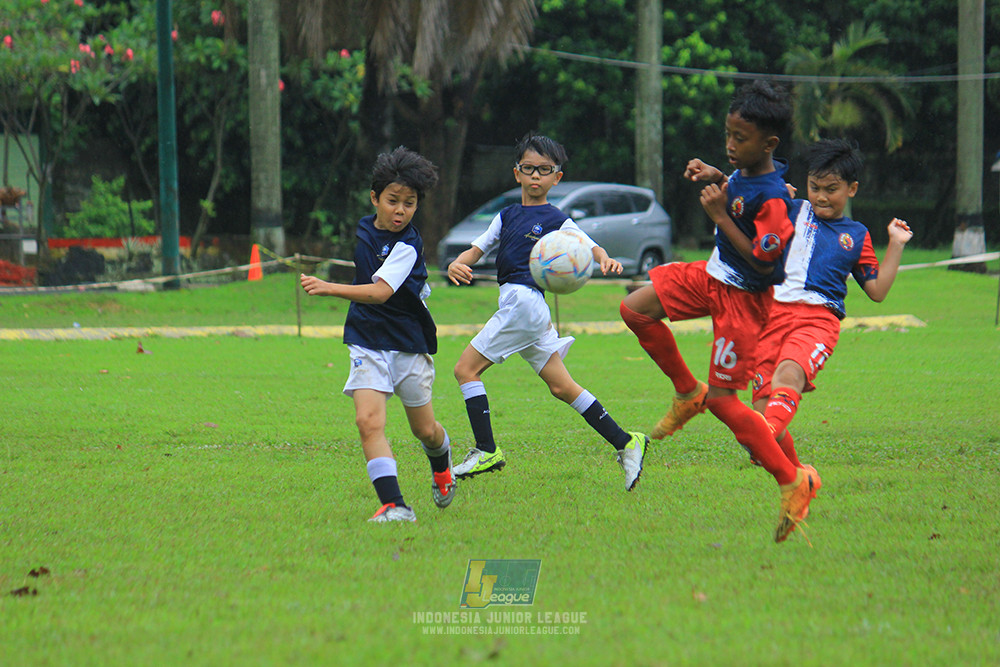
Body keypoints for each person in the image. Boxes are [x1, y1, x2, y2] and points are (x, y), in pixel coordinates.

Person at [619, 80, 817, 542]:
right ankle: (688, 392)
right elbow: (739, 194)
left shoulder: (775, 199)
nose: (730, 144)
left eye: (739, 139)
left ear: (768, 143)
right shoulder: (750, 174)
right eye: (728, 135)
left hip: (745, 303)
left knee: (731, 404)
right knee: (635, 310)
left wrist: (720, 217)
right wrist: (716, 177)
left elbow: (765, 259)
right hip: (713, 278)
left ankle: (793, 479)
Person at [446, 132, 649, 490]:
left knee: (465, 370)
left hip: (524, 304)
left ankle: (486, 449)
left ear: (557, 177)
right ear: (517, 173)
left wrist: (604, 259)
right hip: (526, 309)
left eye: (545, 169)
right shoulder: (506, 215)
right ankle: (627, 442)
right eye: (529, 168)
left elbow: (590, 246)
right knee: (561, 386)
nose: (536, 176)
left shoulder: (557, 219)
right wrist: (456, 264)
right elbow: (475, 251)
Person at [300, 146, 456, 523]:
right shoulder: (364, 228)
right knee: (368, 422)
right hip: (367, 340)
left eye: (409, 203)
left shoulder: (409, 245)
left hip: (407, 344)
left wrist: (329, 287)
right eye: (392, 201)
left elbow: (381, 292)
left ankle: (442, 463)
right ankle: (395, 505)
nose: (400, 211)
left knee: (426, 430)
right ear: (375, 198)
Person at [750, 138, 912, 473]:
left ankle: (762, 440)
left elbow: (877, 291)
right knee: (763, 409)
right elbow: (754, 214)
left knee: (789, 374)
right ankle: (798, 479)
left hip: (817, 319)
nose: (821, 196)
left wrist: (896, 244)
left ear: (851, 189)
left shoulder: (856, 234)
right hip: (770, 316)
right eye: (815, 186)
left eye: (831, 189)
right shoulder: (792, 209)